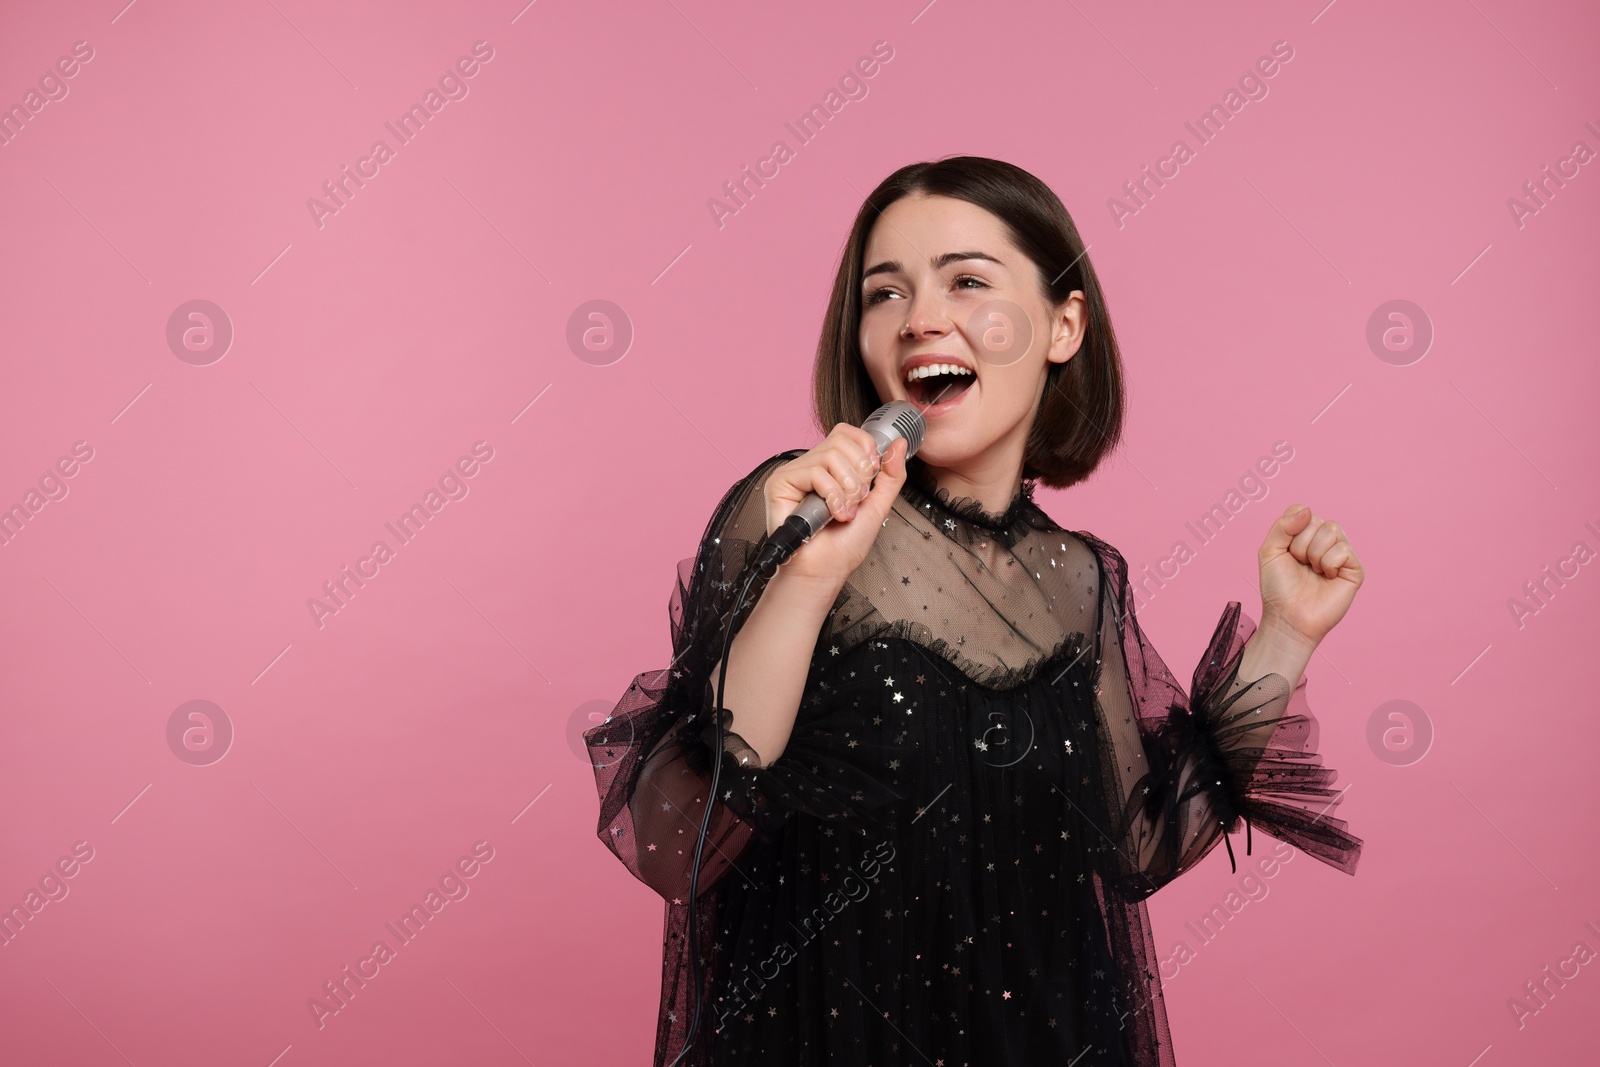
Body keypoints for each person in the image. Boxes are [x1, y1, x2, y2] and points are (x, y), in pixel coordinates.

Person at [585, 156, 1364, 1066]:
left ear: (1063, 325)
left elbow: (1140, 844)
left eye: (966, 280)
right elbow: (678, 838)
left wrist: (1286, 636)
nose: (920, 318)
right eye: (885, 293)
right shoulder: (791, 507)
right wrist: (807, 579)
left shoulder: (1081, 581)